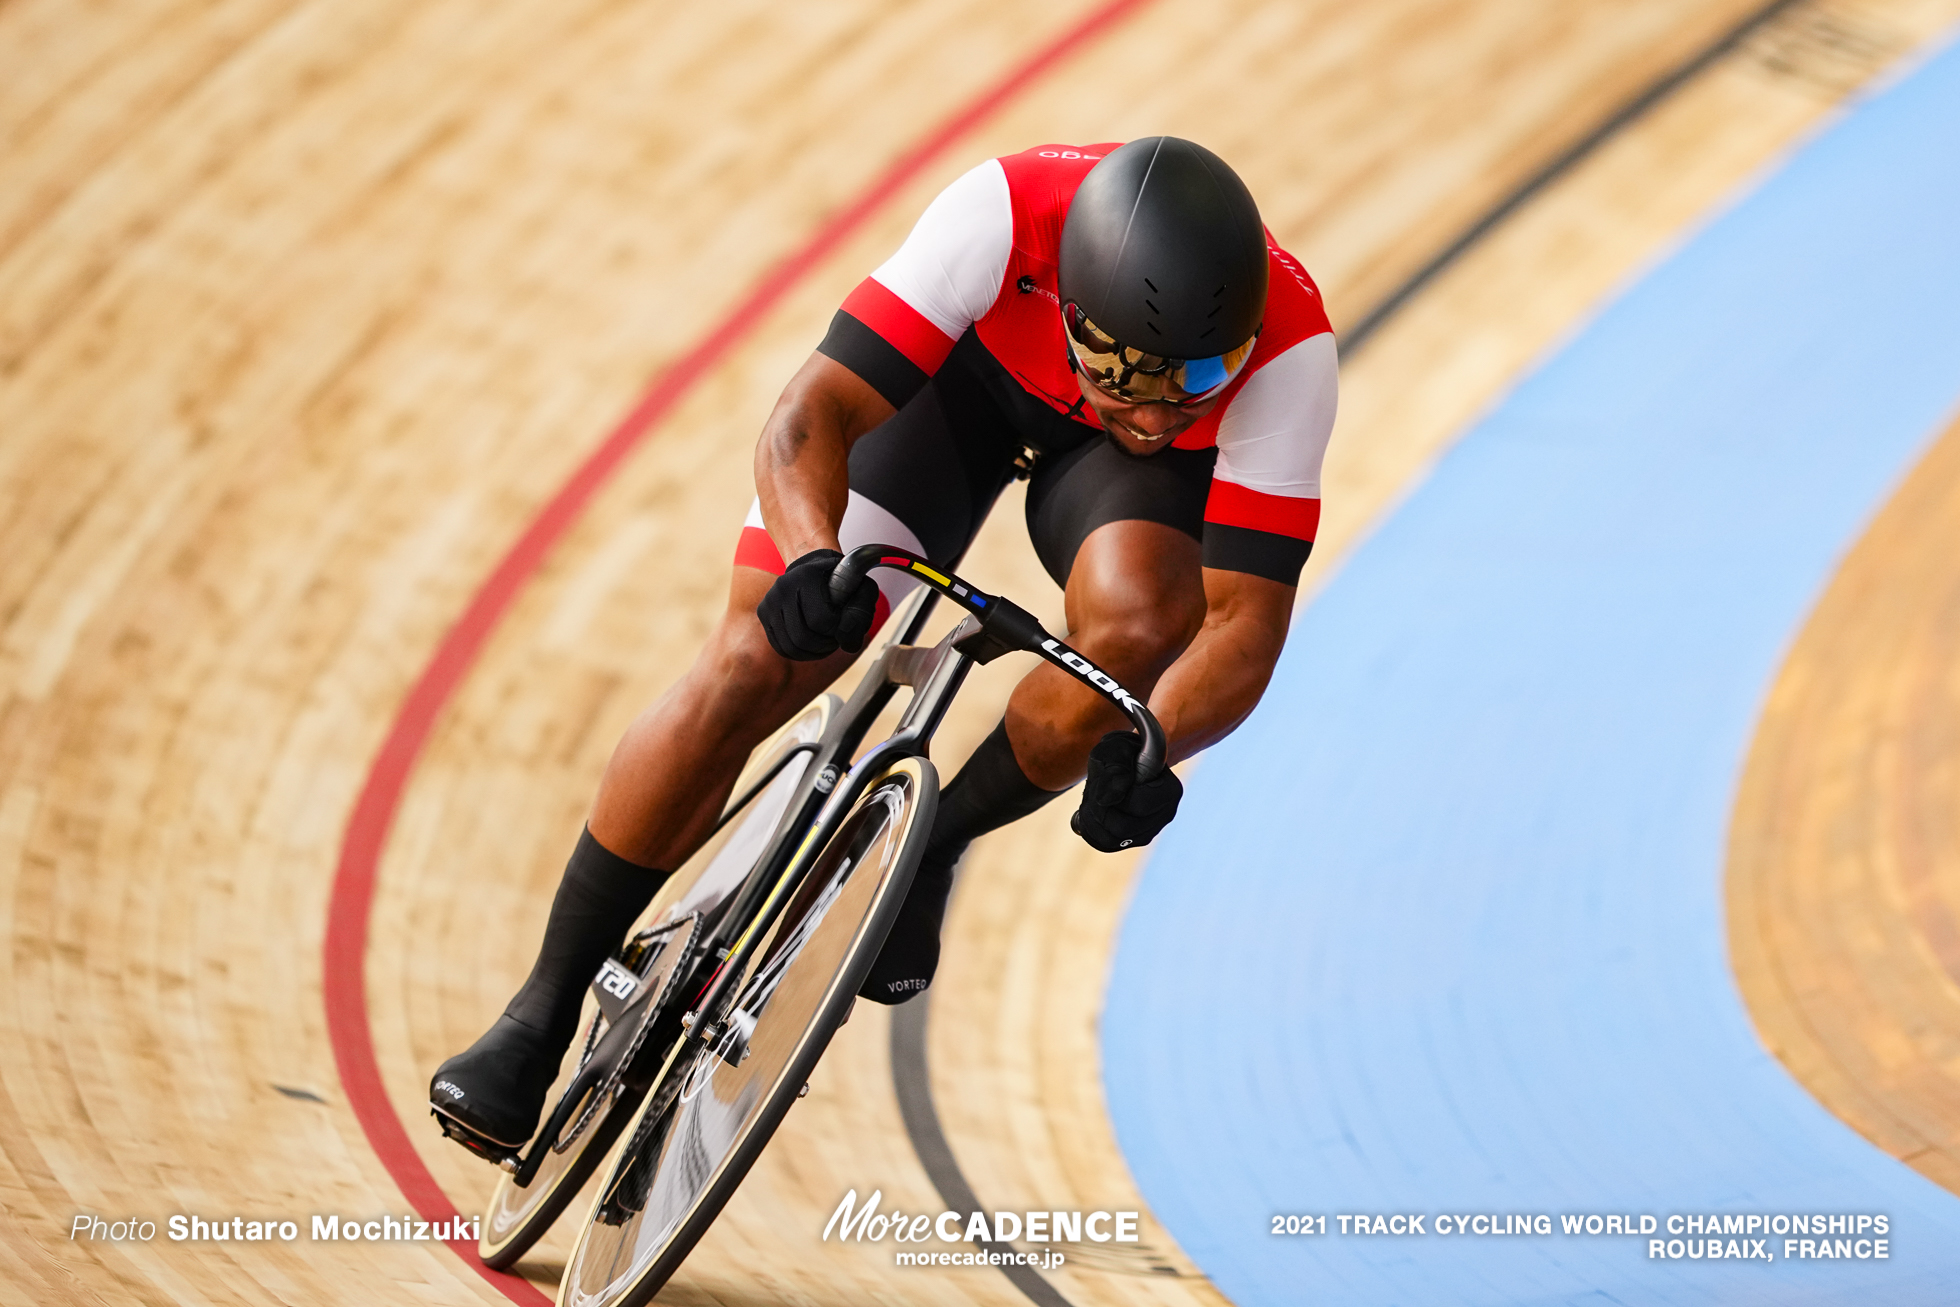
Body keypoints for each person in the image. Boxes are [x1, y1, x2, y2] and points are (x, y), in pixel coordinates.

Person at [431, 136, 1338, 1152]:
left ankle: (930, 844)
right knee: (751, 661)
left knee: (1138, 634)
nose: (1156, 409)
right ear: (1068, 304)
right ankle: (538, 1012)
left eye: (1197, 380)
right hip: (956, 400)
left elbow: (1243, 622)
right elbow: (809, 414)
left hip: (1119, 492)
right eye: (1122, 371)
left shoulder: (1289, 353)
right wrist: (814, 557)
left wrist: (1152, 740)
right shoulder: (1000, 214)